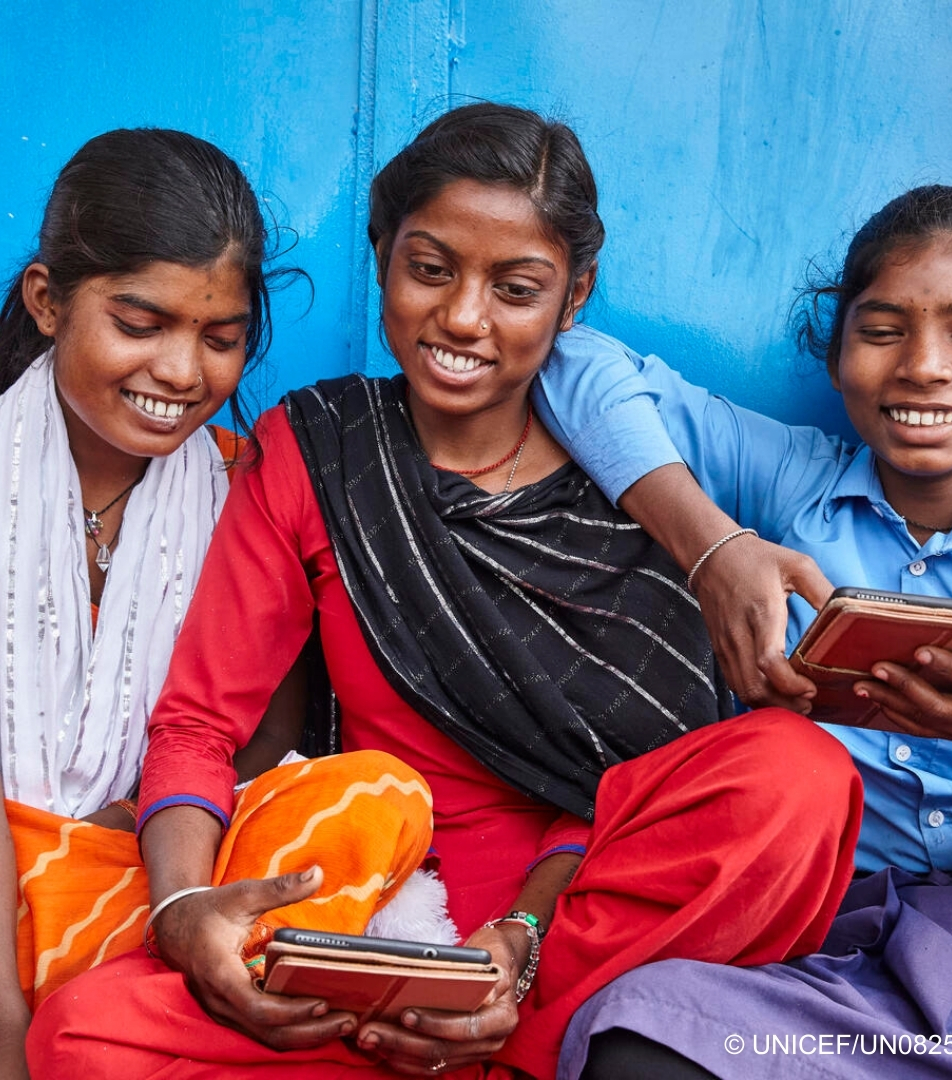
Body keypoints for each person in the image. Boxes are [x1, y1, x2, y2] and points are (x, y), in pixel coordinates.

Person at [26, 102, 863, 1080]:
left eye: (516, 288)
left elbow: (638, 782)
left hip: (581, 921)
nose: (463, 317)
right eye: (430, 269)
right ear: (382, 258)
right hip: (377, 920)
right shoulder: (318, 447)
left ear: (575, 295)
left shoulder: (632, 480)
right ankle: (483, 1050)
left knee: (800, 781)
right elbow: (198, 726)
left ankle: (507, 1040)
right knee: (85, 1035)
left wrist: (521, 940)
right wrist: (181, 915)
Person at [529, 185, 952, 1078]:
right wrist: (714, 546)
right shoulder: (785, 481)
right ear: (836, 355)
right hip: (824, 953)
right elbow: (572, 363)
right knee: (634, 1038)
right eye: (883, 329)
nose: (924, 367)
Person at [0, 127, 333, 1079]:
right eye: (140, 324)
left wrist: (135, 834)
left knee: (365, 800)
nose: (183, 373)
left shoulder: (242, 491)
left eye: (219, 338)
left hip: (144, 882)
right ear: (47, 301)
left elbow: (263, 740)